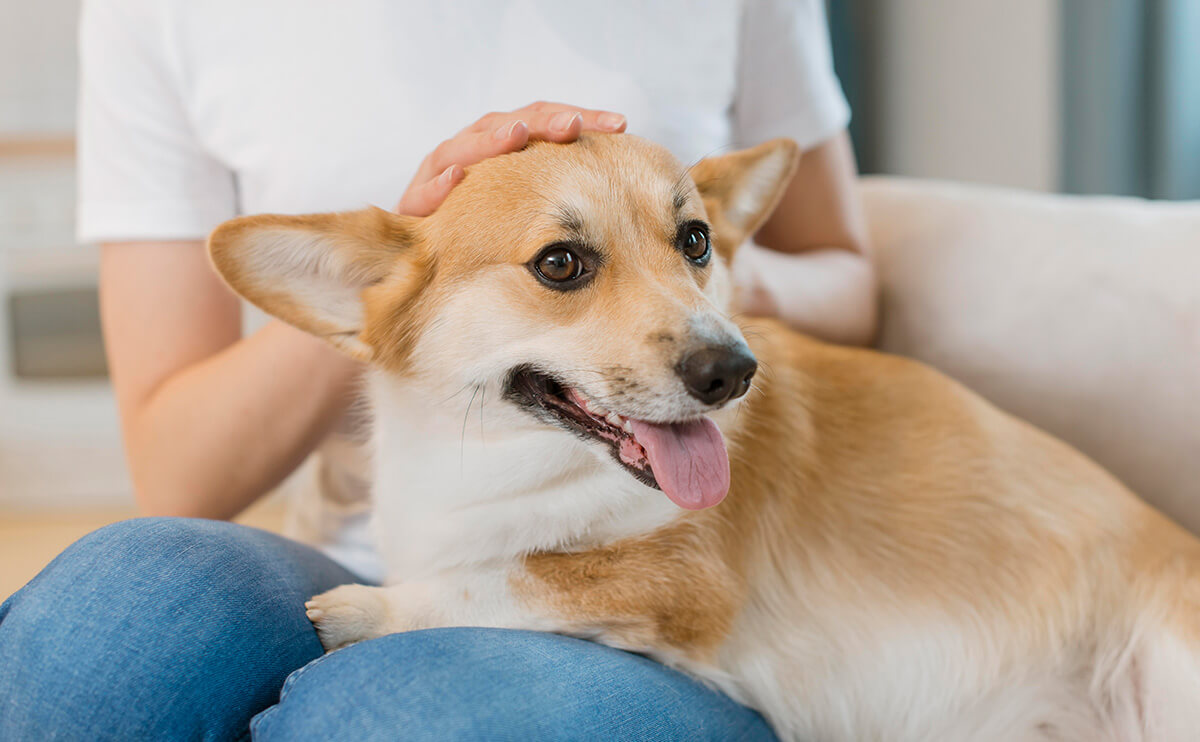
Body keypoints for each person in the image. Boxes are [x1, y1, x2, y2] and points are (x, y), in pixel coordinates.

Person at [0, 0, 876, 738]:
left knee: (384, 714)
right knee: (107, 620)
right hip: (364, 547)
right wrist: (394, 281)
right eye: (564, 264)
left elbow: (845, 277)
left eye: (684, 239)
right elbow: (177, 472)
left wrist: (689, 275)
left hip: (641, 574)